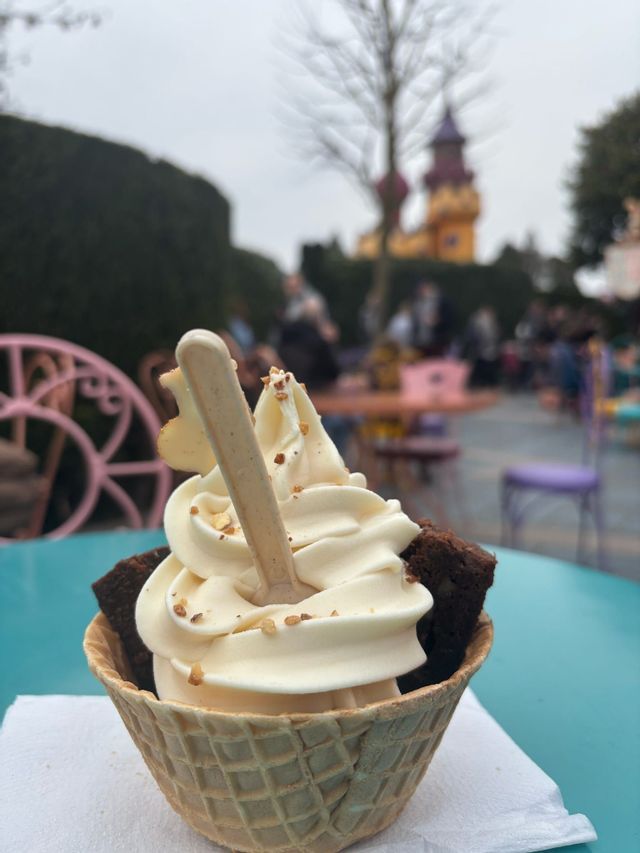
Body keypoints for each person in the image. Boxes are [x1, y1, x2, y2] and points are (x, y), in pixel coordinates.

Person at [411, 280, 454, 356]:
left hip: (436, 342)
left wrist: (438, 321)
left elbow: (449, 319)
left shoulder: (442, 302)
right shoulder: (418, 303)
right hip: (420, 341)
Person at [464, 306, 501, 387]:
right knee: (479, 369)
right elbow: (473, 337)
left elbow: (496, 336)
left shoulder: (492, 323)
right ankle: (477, 384)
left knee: (487, 369)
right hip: (480, 351)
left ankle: (488, 384)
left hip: (489, 351)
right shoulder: (477, 323)